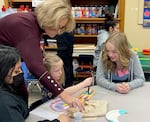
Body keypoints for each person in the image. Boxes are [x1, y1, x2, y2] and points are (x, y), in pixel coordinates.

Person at [0, 0, 84, 111]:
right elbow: (35, 67)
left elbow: (29, 49)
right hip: (4, 66)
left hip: (6, 62)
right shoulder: (26, 26)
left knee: (20, 96)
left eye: (62, 28)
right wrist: (64, 95)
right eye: (57, 26)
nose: (59, 31)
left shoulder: (32, 22)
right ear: (49, 18)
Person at [0, 45, 70, 122]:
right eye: (16, 71)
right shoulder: (4, 103)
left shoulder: (10, 88)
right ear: (3, 72)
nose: (21, 73)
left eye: (21, 68)